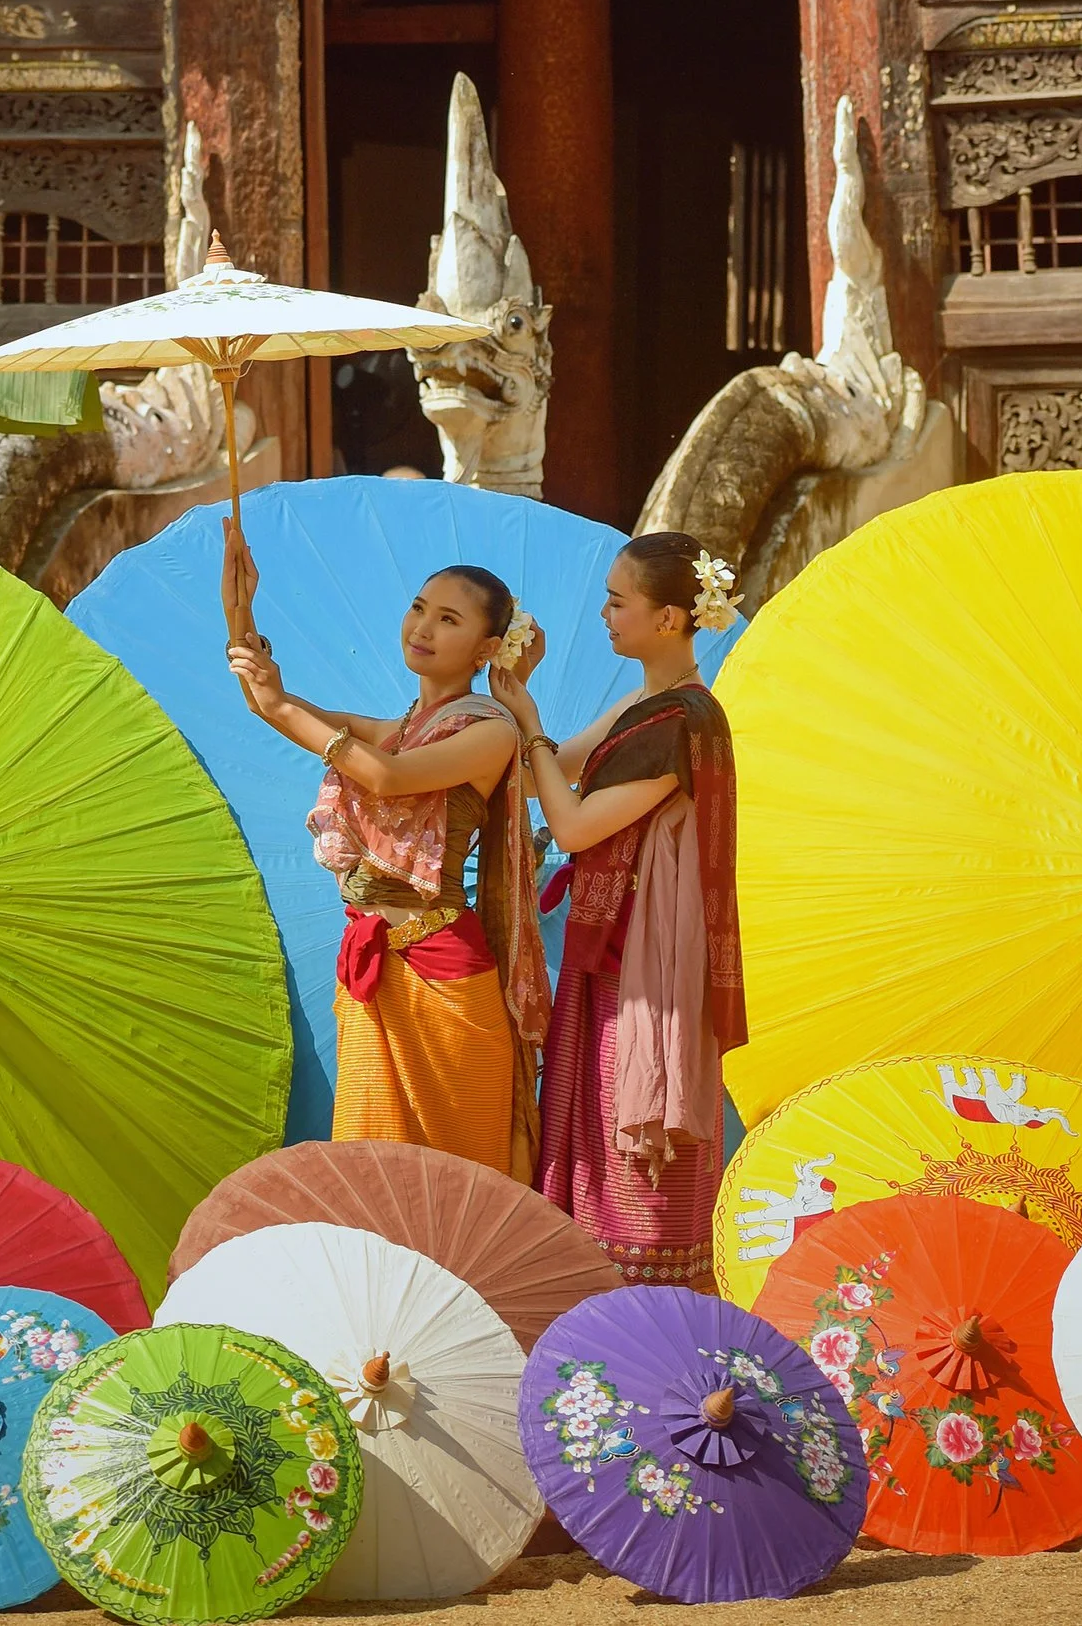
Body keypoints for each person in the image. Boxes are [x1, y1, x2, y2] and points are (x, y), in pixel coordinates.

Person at [224, 520, 547, 1176]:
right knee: (372, 1176)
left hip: (444, 978)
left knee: (459, 1183)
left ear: (486, 648)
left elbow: (386, 777)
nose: (422, 628)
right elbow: (271, 702)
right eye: (419, 608)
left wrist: (287, 711)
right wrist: (239, 611)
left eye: (448, 619)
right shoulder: (400, 725)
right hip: (375, 970)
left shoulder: (492, 730)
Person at [493, 529, 744, 1286]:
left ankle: (647, 1306)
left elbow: (569, 824)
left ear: (670, 618)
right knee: (593, 1126)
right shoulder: (649, 704)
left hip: (646, 966)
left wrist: (530, 719)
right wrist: (514, 702)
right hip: (615, 952)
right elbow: (548, 776)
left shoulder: (682, 721)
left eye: (617, 600)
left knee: (630, 1131)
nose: (603, 612)